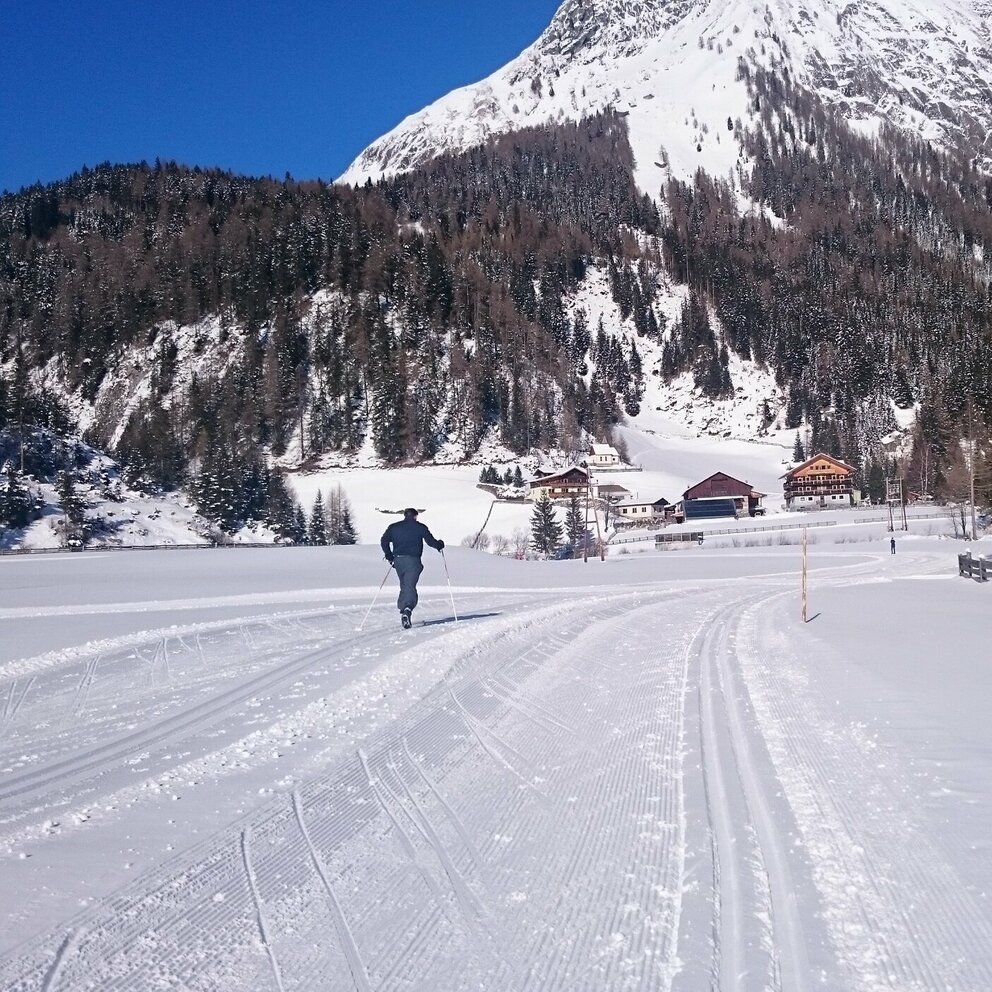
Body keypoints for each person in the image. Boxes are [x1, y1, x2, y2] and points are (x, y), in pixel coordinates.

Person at [380, 508, 445, 628]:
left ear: (405, 515)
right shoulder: (420, 527)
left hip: (398, 560)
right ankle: (407, 609)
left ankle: (403, 608)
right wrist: (439, 545)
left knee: (405, 584)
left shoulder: (394, 527)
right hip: (413, 560)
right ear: (415, 516)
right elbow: (430, 541)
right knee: (409, 585)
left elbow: (384, 541)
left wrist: (389, 555)